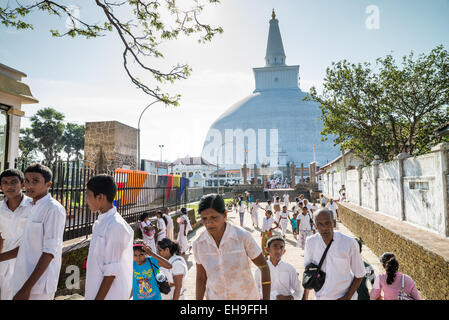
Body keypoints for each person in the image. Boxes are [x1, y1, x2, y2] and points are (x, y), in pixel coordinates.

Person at [0, 164, 66, 300]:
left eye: (35, 181)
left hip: (39, 285)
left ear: (48, 184)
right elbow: (26, 246)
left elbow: (49, 252)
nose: (29, 185)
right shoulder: (34, 206)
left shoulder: (53, 209)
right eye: (28, 181)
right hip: (21, 277)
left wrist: (26, 288)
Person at [193, 194, 271, 300]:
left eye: (213, 217)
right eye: (204, 218)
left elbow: (264, 267)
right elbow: (201, 278)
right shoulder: (199, 244)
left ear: (225, 214)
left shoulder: (242, 237)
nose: (208, 223)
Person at [84, 174, 134, 300]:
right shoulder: (100, 223)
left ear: (100, 197)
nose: (86, 200)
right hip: (95, 291)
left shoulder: (116, 226)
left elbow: (111, 272)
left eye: (88, 195)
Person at [303, 209, 365, 300]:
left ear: (334, 223)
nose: (324, 228)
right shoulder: (310, 242)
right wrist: (305, 296)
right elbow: (308, 272)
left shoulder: (349, 243)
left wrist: (347, 297)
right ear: (315, 225)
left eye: (327, 223)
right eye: (320, 224)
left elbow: (359, 274)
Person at [0, 169, 33, 300]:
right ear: (1, 187)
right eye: (5, 183)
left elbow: (32, 243)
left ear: (23, 184)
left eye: (14, 182)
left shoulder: (33, 206)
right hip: (4, 265)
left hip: (27, 264)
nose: (9, 186)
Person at [254, 236, 303, 300]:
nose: (278, 250)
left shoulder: (290, 268)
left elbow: (299, 292)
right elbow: (255, 292)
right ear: (267, 249)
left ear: (284, 251)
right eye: (275, 246)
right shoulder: (260, 270)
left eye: (281, 247)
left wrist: (288, 298)